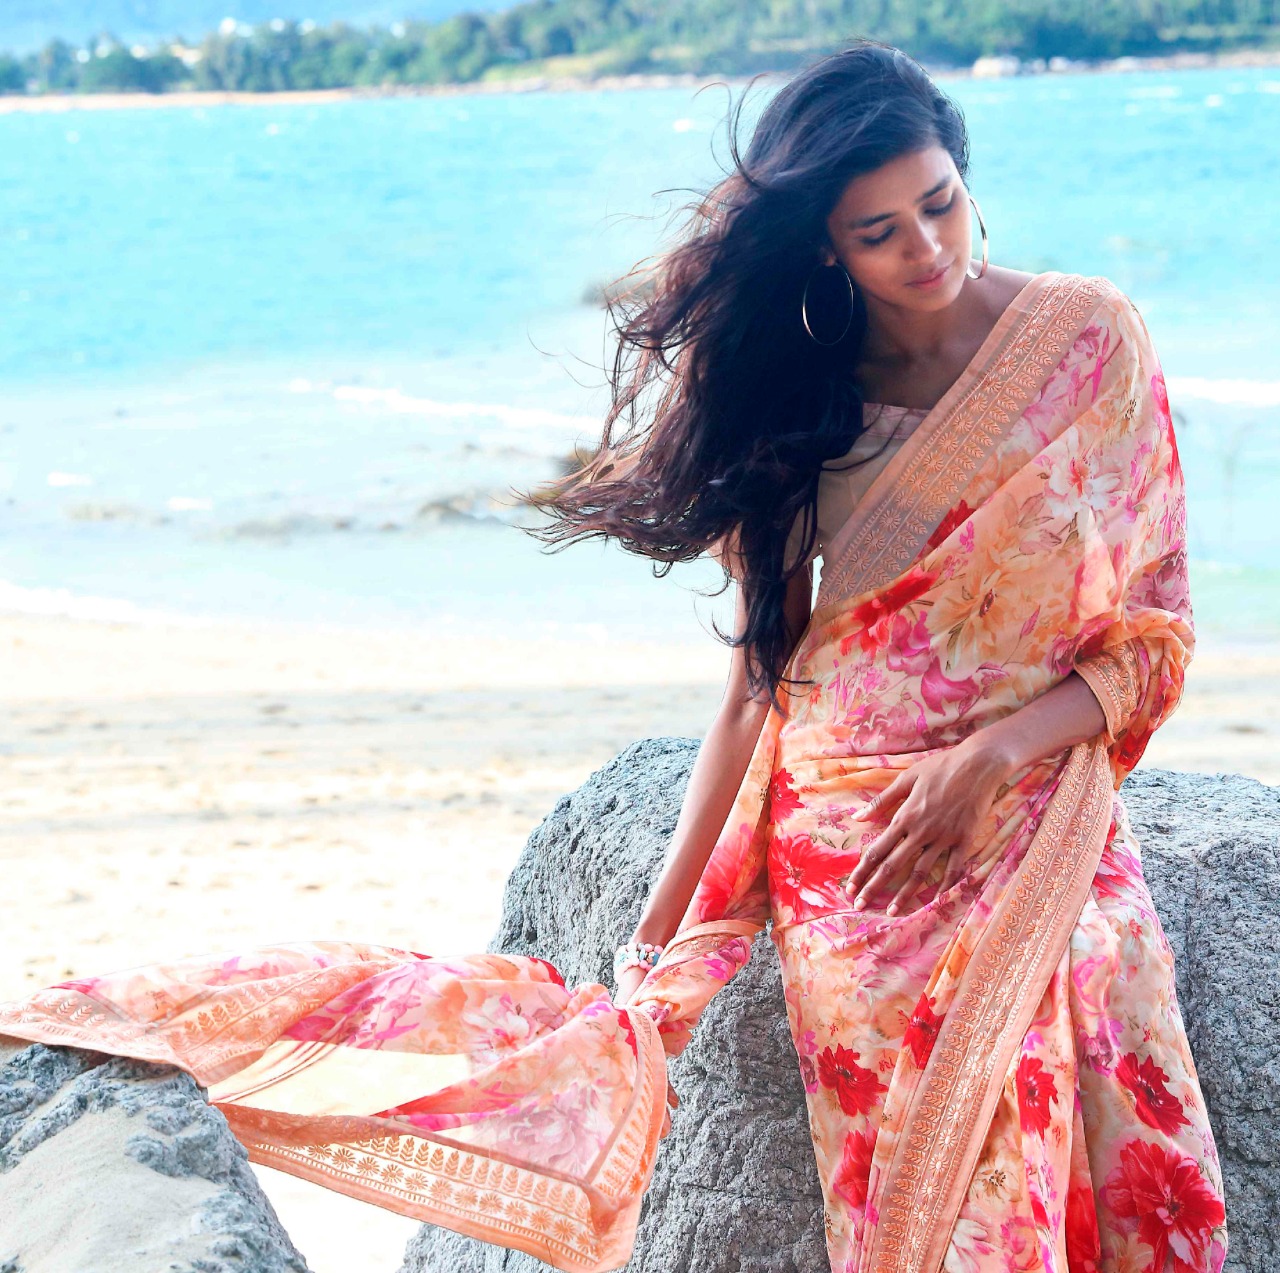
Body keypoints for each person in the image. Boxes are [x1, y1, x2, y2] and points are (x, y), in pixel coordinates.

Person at [0, 39, 1227, 1273]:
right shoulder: (796, 397)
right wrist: (649, 944)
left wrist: (994, 753)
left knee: (1098, 978)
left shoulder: (1085, 340)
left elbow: (1152, 632)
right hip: (849, 833)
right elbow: (755, 685)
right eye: (877, 232)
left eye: (939, 203)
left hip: (1032, 788)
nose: (925, 246)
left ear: (963, 177)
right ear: (823, 248)